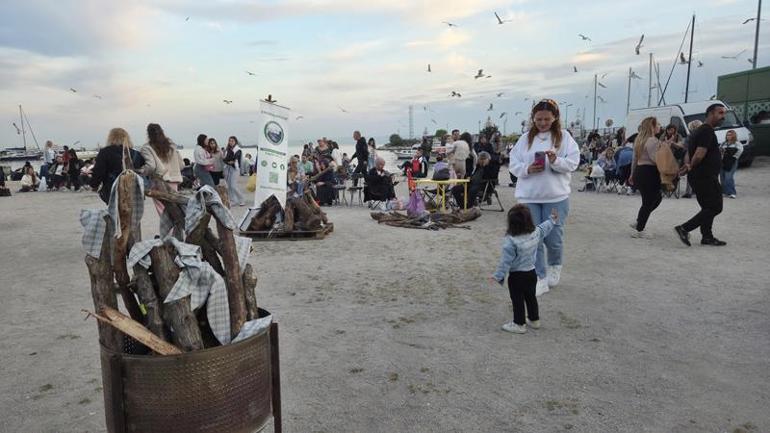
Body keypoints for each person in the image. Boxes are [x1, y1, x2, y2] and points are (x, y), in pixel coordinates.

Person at [508, 99, 580, 295]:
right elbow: (513, 163)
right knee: (533, 238)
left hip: (556, 197)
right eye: (538, 119)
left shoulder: (564, 137)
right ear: (533, 118)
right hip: (529, 196)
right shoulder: (525, 139)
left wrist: (556, 161)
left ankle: (555, 265)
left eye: (546, 119)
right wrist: (527, 169)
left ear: (555, 117)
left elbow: (573, 163)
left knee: (554, 237)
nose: (542, 123)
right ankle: (540, 276)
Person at [491, 205, 558, 334]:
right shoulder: (535, 232)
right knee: (531, 297)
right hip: (532, 273)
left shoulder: (510, 241)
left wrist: (498, 276)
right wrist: (552, 219)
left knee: (517, 300)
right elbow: (545, 227)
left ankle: (519, 323)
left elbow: (505, 261)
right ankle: (534, 320)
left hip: (517, 276)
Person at [675, 104, 728, 247]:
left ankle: (707, 236)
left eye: (724, 113)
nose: (723, 116)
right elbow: (699, 153)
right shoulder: (706, 131)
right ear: (710, 113)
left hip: (699, 175)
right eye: (720, 113)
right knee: (716, 207)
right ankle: (684, 228)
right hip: (705, 176)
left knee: (707, 207)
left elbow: (687, 152)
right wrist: (691, 165)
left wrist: (688, 165)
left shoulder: (698, 131)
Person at [90, 128, 145, 204]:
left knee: (116, 213)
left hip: (113, 190)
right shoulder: (136, 154)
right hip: (133, 190)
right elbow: (142, 170)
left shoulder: (105, 152)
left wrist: (94, 185)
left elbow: (99, 171)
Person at [138, 123, 184, 214]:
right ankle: (177, 228)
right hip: (174, 180)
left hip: (160, 181)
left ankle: (172, 229)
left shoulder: (147, 148)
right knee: (174, 211)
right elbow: (181, 165)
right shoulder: (171, 145)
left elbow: (151, 166)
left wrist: (141, 171)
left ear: (149, 134)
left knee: (164, 212)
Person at [629, 117, 662, 239]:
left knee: (653, 199)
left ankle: (639, 221)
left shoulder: (639, 140)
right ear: (652, 126)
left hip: (640, 171)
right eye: (658, 124)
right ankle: (639, 229)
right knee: (649, 202)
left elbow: (634, 159)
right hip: (650, 172)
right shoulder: (653, 140)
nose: (660, 126)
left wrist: (632, 174)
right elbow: (655, 159)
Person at [681, 120, 702, 198]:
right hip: (701, 158)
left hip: (691, 157)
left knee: (691, 174)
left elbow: (685, 148)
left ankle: (689, 191)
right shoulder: (704, 136)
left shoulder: (690, 137)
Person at [720, 129, 743, 199]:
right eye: (727, 135)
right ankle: (724, 191)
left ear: (733, 136)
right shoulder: (724, 143)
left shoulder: (737, 143)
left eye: (730, 135)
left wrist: (734, 157)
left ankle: (732, 192)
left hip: (732, 162)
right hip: (723, 161)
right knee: (722, 177)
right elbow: (720, 150)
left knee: (728, 177)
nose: (728, 136)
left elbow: (740, 150)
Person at [223, 136, 246, 206]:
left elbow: (235, 158)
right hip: (227, 168)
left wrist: (230, 161)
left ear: (235, 141)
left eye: (232, 141)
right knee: (229, 186)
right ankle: (233, 200)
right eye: (229, 141)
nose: (231, 142)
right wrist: (228, 161)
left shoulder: (238, 149)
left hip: (235, 169)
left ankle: (242, 199)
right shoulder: (227, 149)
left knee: (233, 186)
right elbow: (225, 159)